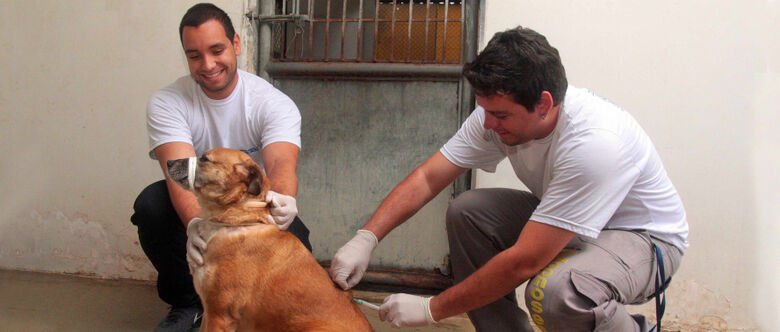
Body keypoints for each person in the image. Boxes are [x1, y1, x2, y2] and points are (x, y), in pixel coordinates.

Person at [329, 26, 688, 332]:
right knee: (468, 211)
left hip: (642, 239)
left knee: (557, 292)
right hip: (574, 223)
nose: (487, 124)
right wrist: (366, 237)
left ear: (544, 104)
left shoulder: (595, 143)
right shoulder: (496, 115)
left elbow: (524, 262)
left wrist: (432, 309)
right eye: (485, 110)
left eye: (499, 114)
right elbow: (427, 177)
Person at [130, 4, 312, 332]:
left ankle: (255, 310)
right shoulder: (168, 102)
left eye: (217, 50)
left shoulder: (271, 103)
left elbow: (281, 165)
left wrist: (281, 203)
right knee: (152, 206)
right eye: (195, 55)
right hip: (204, 201)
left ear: (236, 44)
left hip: (252, 207)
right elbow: (180, 173)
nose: (208, 65)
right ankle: (190, 302)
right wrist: (198, 224)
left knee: (295, 241)